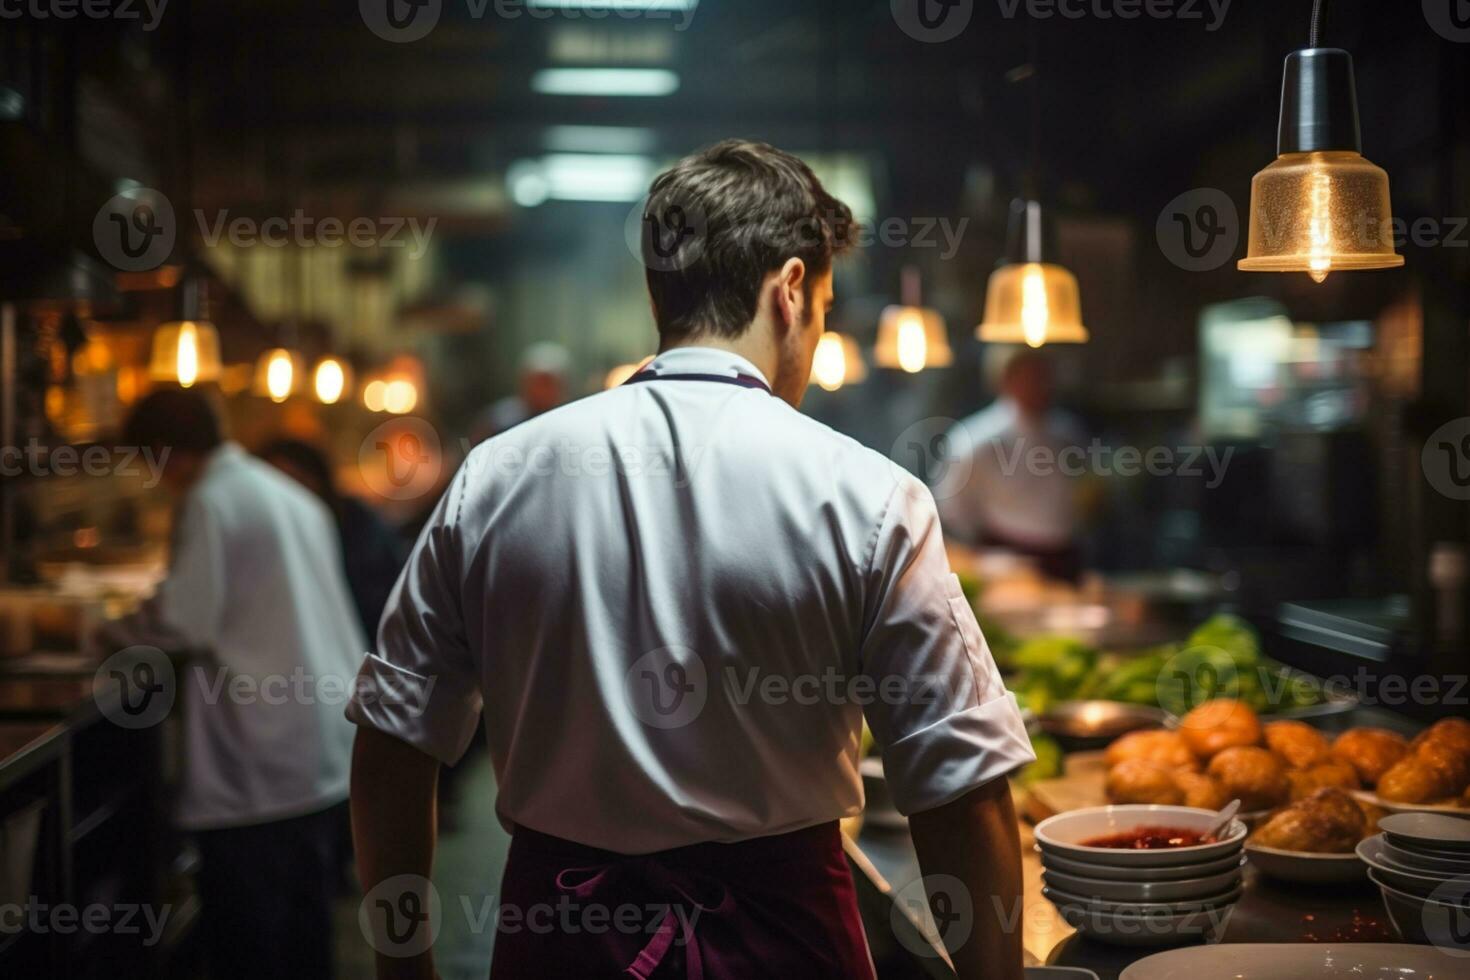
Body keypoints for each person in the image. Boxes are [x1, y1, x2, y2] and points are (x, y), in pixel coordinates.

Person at [348, 140, 1034, 980]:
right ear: (788, 292)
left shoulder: (493, 478)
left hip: (559, 946)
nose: (815, 344)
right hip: (788, 945)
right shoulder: (869, 496)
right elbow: (964, 789)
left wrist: (403, 970)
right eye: (820, 310)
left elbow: (391, 743)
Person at [96, 388, 366, 980]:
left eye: (148, 461)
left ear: (169, 453)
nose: (152, 477)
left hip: (259, 757)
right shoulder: (287, 492)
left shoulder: (210, 500)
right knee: (305, 928)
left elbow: (181, 621)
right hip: (319, 745)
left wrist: (103, 628)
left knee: (250, 940)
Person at [937, 349, 1087, 582]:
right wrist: (981, 555)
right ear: (1005, 379)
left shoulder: (1068, 433)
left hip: (1065, 558)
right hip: (1006, 559)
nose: (1039, 384)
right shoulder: (975, 438)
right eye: (1029, 375)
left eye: (1043, 375)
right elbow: (951, 508)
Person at [259, 437, 409, 640]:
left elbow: (375, 599)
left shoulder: (355, 522)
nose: (286, 495)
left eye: (294, 480)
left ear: (316, 479)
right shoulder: (270, 533)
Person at [469, 341, 570, 443]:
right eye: (536, 383)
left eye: (547, 384)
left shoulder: (572, 422)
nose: (541, 391)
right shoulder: (499, 422)